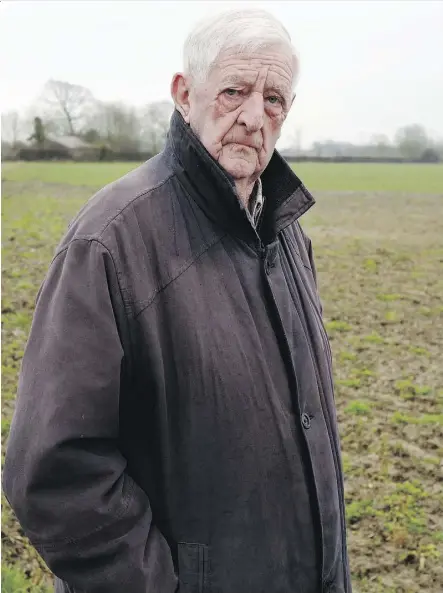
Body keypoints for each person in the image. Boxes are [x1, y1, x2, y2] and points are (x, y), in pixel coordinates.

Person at [3, 9, 352, 593]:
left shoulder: (286, 228)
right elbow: (56, 471)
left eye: (274, 100)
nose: (252, 117)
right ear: (184, 94)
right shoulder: (111, 241)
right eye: (234, 91)